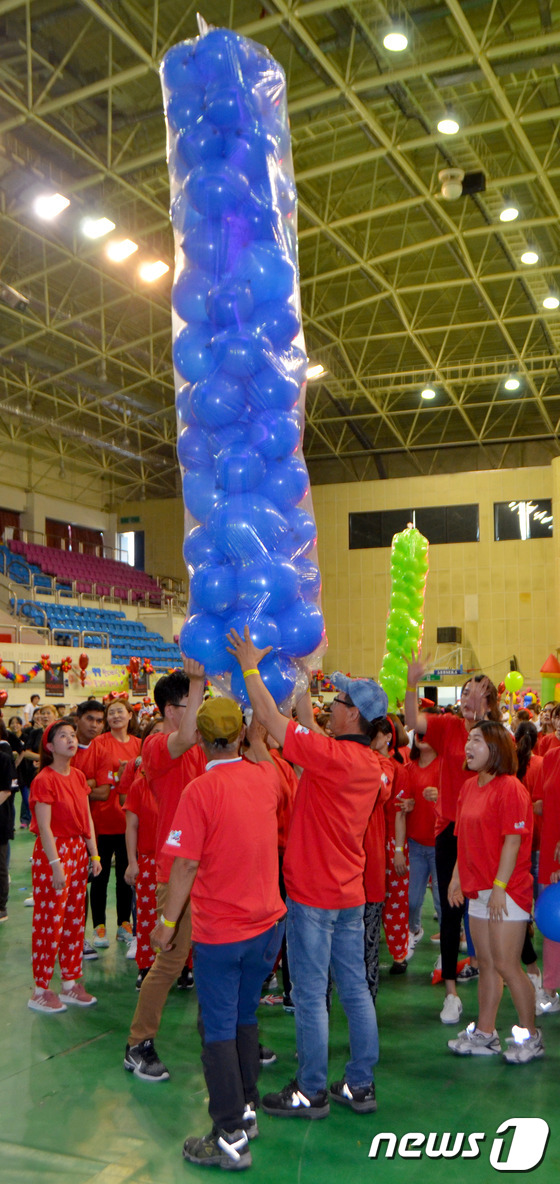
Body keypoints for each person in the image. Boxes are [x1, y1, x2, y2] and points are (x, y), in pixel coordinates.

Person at [227, 626, 385, 1119]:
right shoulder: (363, 761)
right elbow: (305, 726)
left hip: (313, 894)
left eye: (338, 700)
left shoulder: (330, 756)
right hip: (349, 893)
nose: (330, 704)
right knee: (355, 990)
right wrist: (299, 680)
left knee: (312, 993)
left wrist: (250, 666)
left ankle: (311, 1088)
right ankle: (360, 1083)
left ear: (352, 715)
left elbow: (272, 719)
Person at [151, 696, 285, 1171]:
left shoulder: (198, 791)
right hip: (267, 927)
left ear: (201, 740)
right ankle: (246, 1110)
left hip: (222, 935)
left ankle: (229, 1136)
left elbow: (185, 865)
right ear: (241, 734)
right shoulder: (266, 777)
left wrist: (167, 924)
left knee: (218, 1030)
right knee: (244, 1018)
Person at [405, 654, 500, 1024]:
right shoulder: (447, 726)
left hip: (484, 831)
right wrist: (412, 682)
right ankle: (450, 993)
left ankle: (525, 970)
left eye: (475, 693)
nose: (467, 698)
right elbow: (413, 721)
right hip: (449, 829)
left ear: (488, 701)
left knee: (491, 905)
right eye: (464, 692)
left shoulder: (495, 736)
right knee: (450, 910)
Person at [124, 661, 206, 1082]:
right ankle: (138, 1043)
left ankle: (223, 1035)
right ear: (170, 710)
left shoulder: (200, 748)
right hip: (175, 871)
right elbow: (187, 734)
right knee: (170, 962)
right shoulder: (156, 747)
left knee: (214, 959)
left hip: (208, 870)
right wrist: (198, 680)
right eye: (192, 703)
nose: (200, 709)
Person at [447, 720, 542, 1063]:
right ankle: (486, 1034)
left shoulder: (511, 788)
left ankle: (531, 1036)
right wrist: (456, 878)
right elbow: (463, 839)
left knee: (506, 964)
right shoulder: (468, 787)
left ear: (496, 748)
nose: (468, 746)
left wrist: (500, 887)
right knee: (485, 963)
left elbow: (513, 842)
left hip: (507, 890)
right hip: (478, 889)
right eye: (468, 740)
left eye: (477, 740)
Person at [28, 719, 101, 1013]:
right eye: (62, 736)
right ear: (49, 745)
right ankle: (40, 989)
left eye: (72, 735)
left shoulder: (79, 777)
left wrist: (94, 854)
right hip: (54, 852)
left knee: (73, 919)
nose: (71, 739)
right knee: (49, 921)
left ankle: (70, 983)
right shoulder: (44, 779)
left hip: (77, 851)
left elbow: (87, 818)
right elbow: (44, 827)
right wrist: (56, 864)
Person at [83, 697, 140, 946]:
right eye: (111, 712)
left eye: (120, 711)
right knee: (100, 876)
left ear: (130, 715)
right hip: (102, 819)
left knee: (126, 876)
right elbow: (90, 779)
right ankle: (99, 927)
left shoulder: (139, 744)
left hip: (129, 822)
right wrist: (117, 776)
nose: (116, 716)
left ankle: (124, 924)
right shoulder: (98, 743)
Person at [124, 718, 163, 990]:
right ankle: (146, 964)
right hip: (148, 859)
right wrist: (132, 862)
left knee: (179, 913)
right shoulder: (139, 785)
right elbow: (132, 826)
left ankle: (184, 965)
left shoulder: (184, 779)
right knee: (147, 915)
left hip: (177, 860)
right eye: (154, 735)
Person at [402, 734, 441, 955]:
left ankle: (449, 942)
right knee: (412, 900)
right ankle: (414, 930)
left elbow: (460, 799)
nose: (422, 737)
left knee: (441, 901)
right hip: (415, 844)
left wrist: (441, 796)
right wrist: (407, 804)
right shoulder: (408, 768)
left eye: (427, 733)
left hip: (440, 845)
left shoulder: (446, 767)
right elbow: (402, 803)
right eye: (419, 734)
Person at [0, 721, 17, 921]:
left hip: (1, 819)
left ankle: (1, 905)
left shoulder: (4, 758)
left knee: (0, 864)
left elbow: (6, 790)